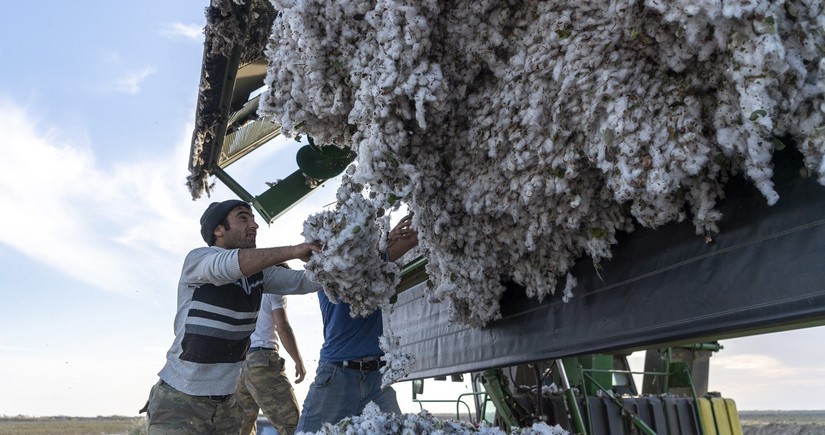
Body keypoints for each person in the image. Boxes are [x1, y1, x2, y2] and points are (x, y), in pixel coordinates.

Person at [140, 199, 323, 435]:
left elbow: (304, 281)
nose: (254, 225)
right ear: (218, 230)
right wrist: (292, 251)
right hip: (180, 404)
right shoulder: (199, 260)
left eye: (254, 219)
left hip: (228, 407)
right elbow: (228, 265)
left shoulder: (258, 275)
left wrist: (337, 258)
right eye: (243, 218)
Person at [296, 214, 418, 433]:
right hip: (337, 377)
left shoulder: (376, 264)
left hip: (377, 377)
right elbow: (358, 265)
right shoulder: (327, 273)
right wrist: (385, 243)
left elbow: (413, 237)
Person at [234, 264, 306, 435]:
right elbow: (282, 326)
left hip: (240, 364)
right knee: (293, 426)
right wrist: (298, 360)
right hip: (262, 361)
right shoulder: (275, 290)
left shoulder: (248, 290)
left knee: (241, 428)